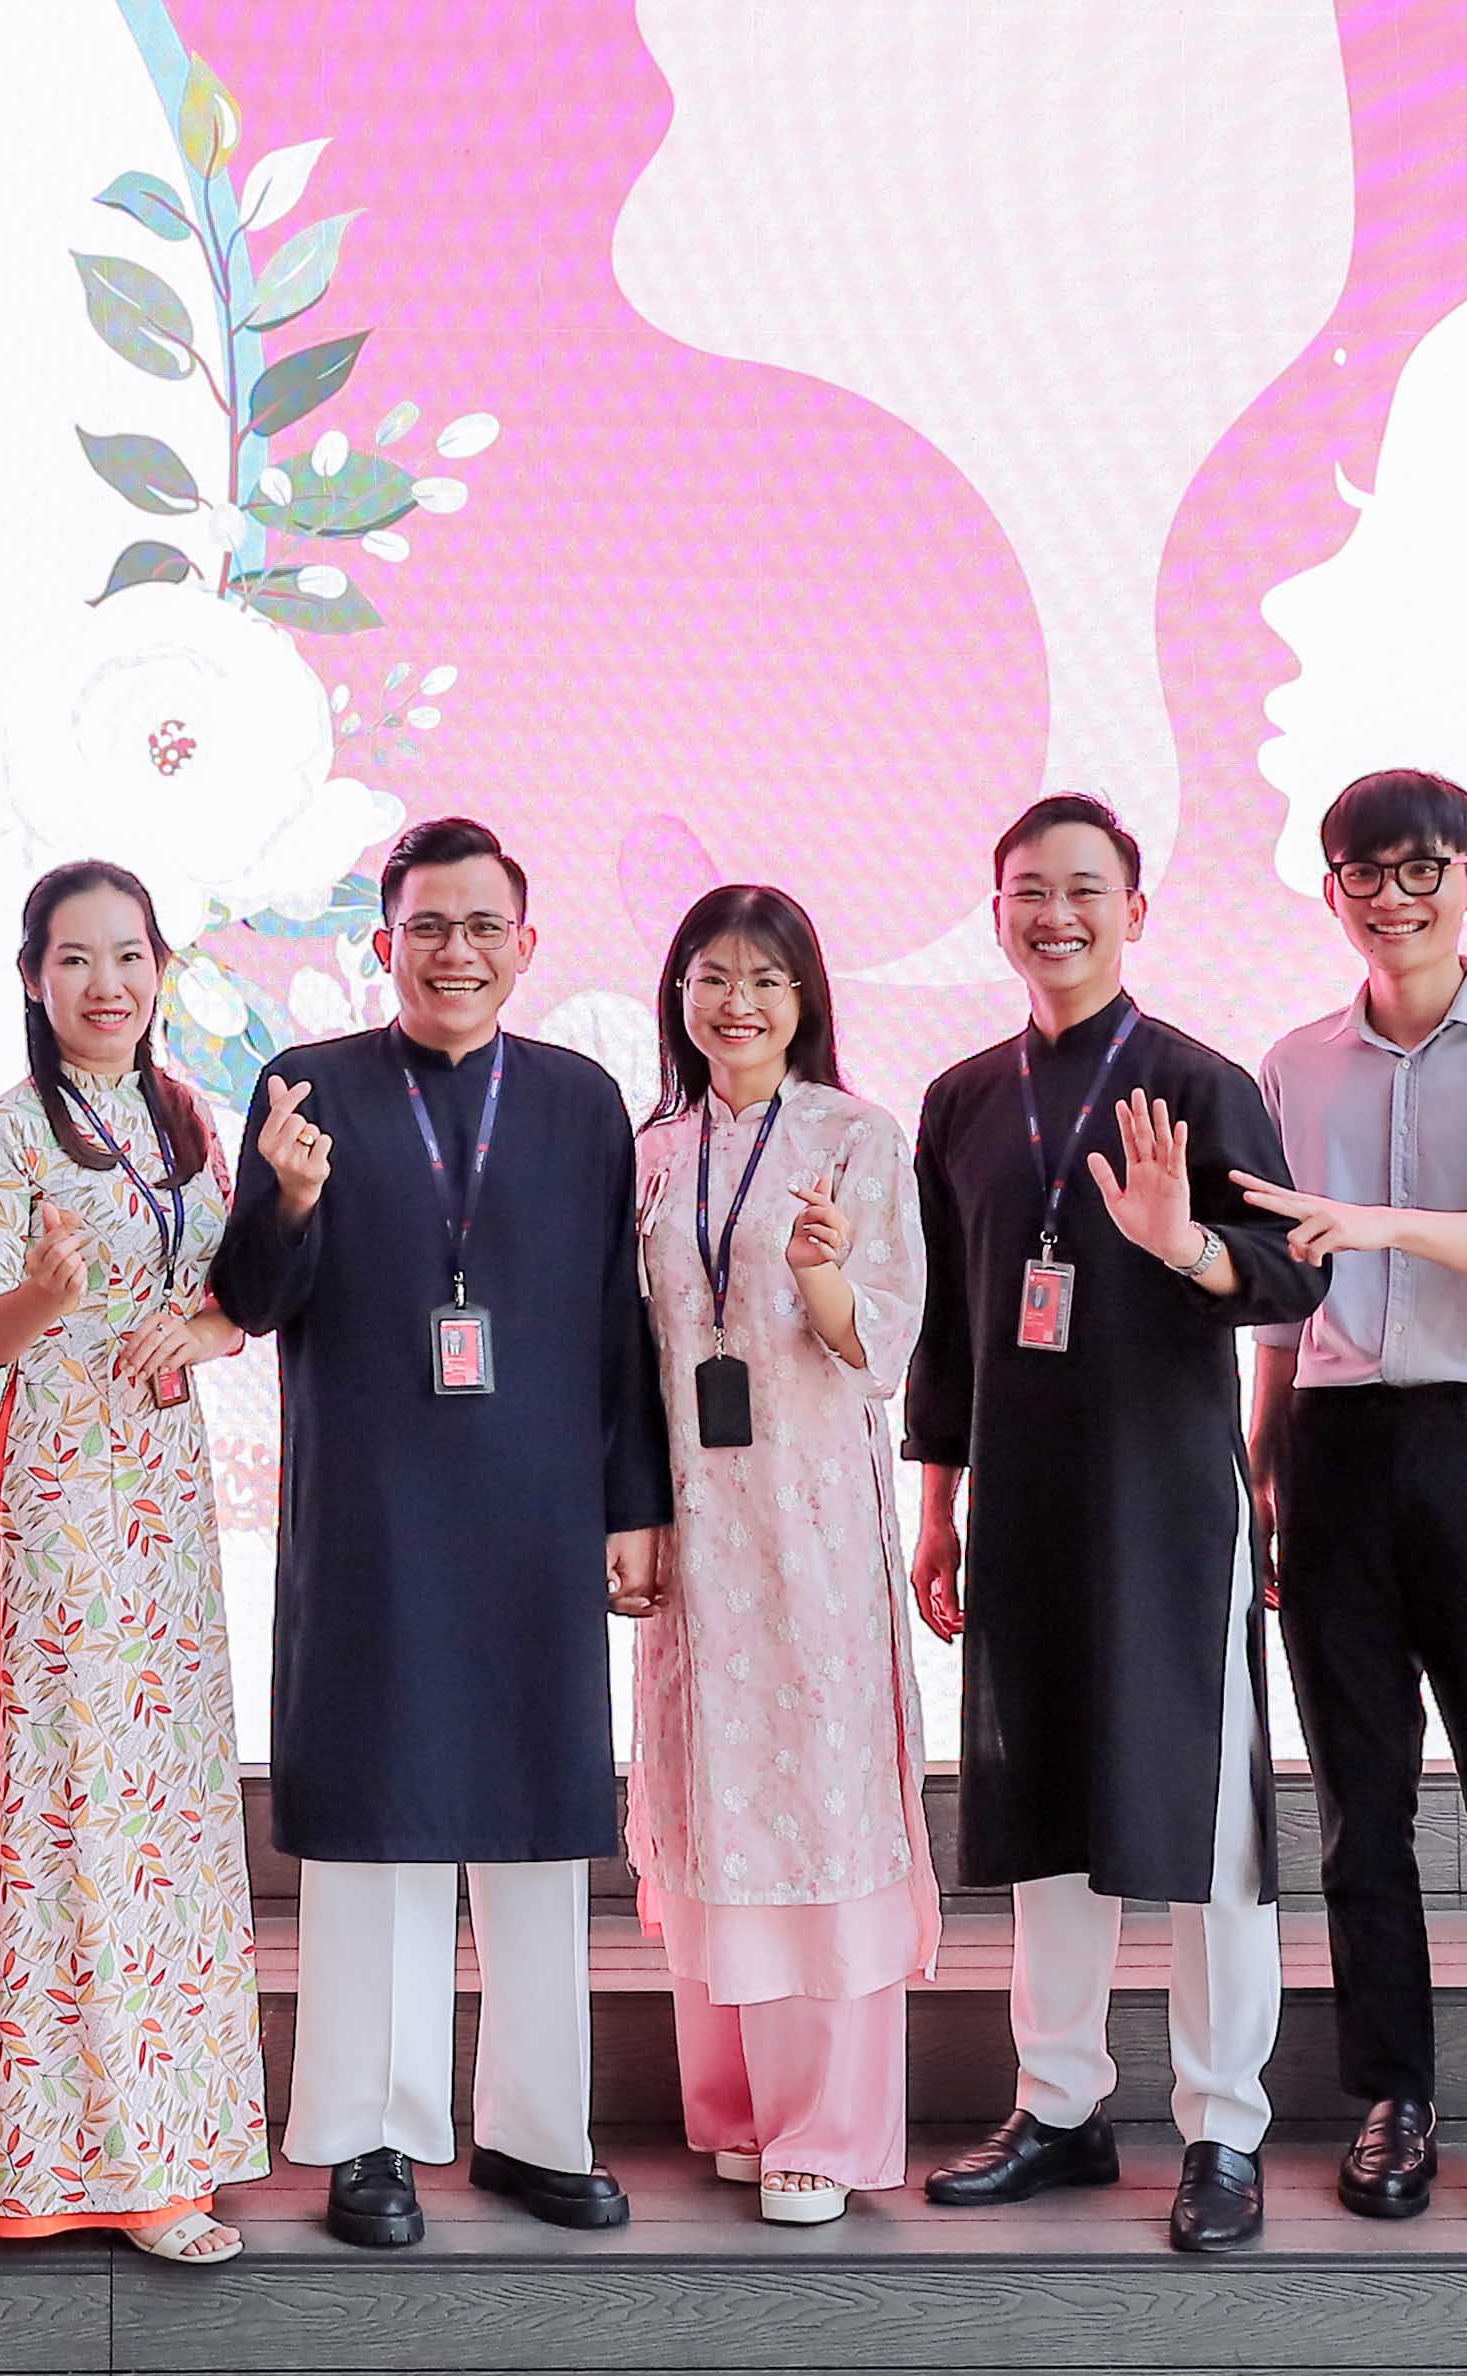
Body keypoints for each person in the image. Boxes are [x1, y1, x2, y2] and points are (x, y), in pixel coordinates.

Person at [209, 814, 667, 2251]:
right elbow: (251, 1300)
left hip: (535, 1511)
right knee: (379, 1824)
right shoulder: (307, 1086)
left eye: (481, 929)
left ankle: (536, 2135)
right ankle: (371, 2135)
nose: (454, 953)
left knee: (537, 1827)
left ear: (525, 946)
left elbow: (617, 1322)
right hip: (373, 1514)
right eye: (426, 928)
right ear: (381, 944)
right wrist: (287, 1199)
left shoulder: (582, 1100)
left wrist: (633, 1502)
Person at [905, 793, 1321, 2256]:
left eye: (1086, 889)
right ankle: (1060, 2107)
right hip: (1021, 1507)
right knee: (1045, 1810)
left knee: (1207, 1825)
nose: (1056, 914)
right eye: (1030, 889)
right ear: (996, 911)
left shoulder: (1199, 1084)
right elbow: (949, 1327)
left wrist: (1186, 1244)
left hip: (1168, 1510)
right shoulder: (963, 1099)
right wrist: (938, 1507)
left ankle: (1222, 2128)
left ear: (1135, 913)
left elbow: (1297, 1272)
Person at [1237, 769, 1467, 2236]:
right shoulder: (1292, 1066)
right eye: (1363, 873)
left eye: (1421, 870)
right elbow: (1281, 1302)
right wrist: (1264, 1466)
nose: (1391, 898)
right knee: (1357, 1804)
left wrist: (1373, 1226)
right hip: (1333, 1450)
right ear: (1330, 889)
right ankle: (1392, 2096)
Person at [0, 859, 265, 2262]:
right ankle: (82, 2159)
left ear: (161, 970)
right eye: (74, 959)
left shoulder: (189, 1119)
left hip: (168, 1500)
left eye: (129, 956)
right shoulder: (6, 1133)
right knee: (73, 1807)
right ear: (33, 978)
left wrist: (212, 1326)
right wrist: (44, 1292)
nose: (106, 983)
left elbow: (234, 1296)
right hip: (61, 1497)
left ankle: (173, 2142)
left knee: (169, 1813)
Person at [623, 882, 929, 2229]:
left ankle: (829, 2126)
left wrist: (819, 1276)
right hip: (695, 1526)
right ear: (678, 995)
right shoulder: (649, 1150)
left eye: (764, 978)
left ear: (806, 998)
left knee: (819, 1795)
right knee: (714, 1793)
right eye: (711, 977)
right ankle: (741, 2107)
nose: (736, 1003)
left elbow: (885, 1345)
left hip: (810, 1526)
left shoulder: (856, 1139)